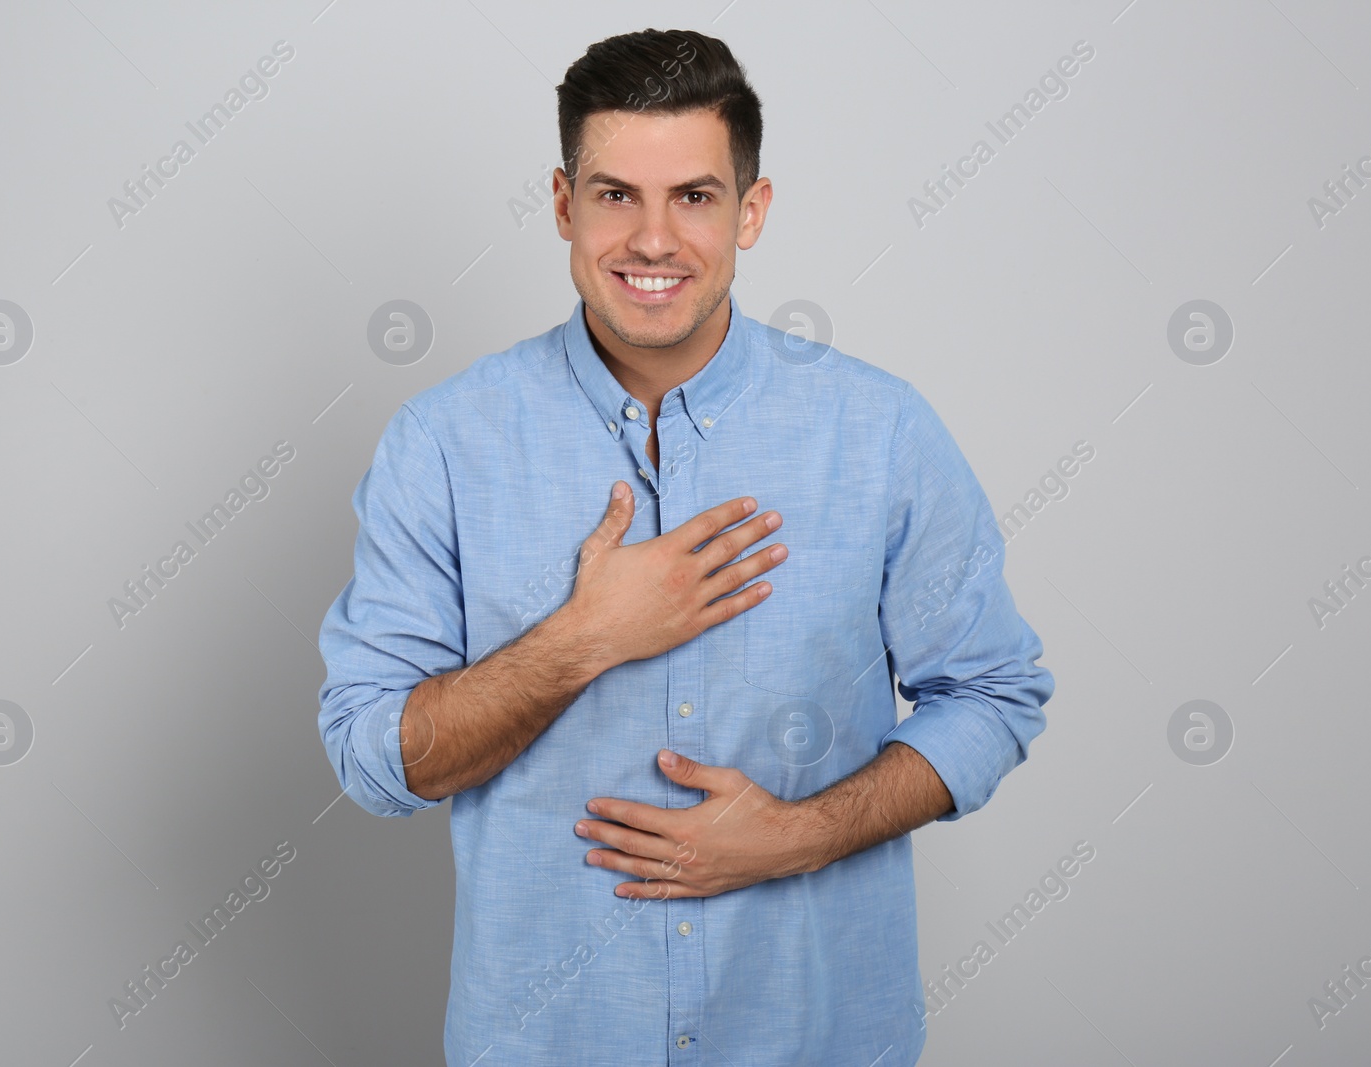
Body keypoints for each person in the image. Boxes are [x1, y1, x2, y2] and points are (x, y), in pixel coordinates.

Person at [317, 26, 1054, 1066]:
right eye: (616, 194)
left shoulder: (880, 432)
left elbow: (992, 692)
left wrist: (801, 834)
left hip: (816, 1039)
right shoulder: (442, 443)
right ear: (565, 204)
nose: (652, 239)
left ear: (750, 211)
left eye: (694, 197)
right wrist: (584, 638)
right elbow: (375, 761)